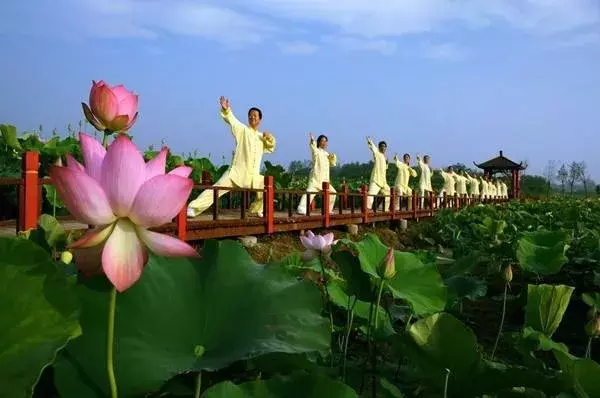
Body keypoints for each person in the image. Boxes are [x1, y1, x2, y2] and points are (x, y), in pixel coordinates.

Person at [187, 96, 276, 218]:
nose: (252, 117)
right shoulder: (243, 130)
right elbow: (232, 120)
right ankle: (193, 208)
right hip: (236, 173)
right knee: (216, 188)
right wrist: (227, 110)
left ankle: (256, 209)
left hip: (252, 177)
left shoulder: (261, 137)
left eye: (255, 115)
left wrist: (269, 137)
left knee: (265, 185)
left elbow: (271, 146)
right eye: (250, 115)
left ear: (260, 119)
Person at [297, 133, 337, 215]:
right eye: (322, 141)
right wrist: (312, 140)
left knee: (333, 193)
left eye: (326, 141)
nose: (324, 143)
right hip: (315, 178)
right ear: (318, 142)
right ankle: (301, 208)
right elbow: (313, 147)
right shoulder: (316, 151)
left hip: (325, 181)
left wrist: (332, 157)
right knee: (309, 192)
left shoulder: (327, 154)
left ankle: (328, 210)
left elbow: (333, 164)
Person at [366, 137, 390, 210]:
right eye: (382, 146)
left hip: (383, 181)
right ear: (379, 147)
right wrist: (370, 142)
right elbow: (373, 148)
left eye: (384, 147)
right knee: (370, 195)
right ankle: (366, 209)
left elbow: (384, 169)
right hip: (376, 179)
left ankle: (385, 210)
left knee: (388, 193)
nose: (383, 148)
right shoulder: (377, 153)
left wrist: (387, 164)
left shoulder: (384, 157)